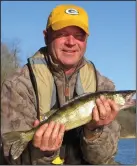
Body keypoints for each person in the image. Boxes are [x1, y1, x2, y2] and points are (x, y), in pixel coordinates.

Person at [1, 4, 121, 165]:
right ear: (46, 36)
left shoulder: (103, 87)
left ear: (86, 40)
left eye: (79, 35)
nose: (71, 42)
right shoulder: (18, 86)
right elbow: (11, 159)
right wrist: (43, 151)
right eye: (62, 34)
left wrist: (94, 130)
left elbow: (103, 159)